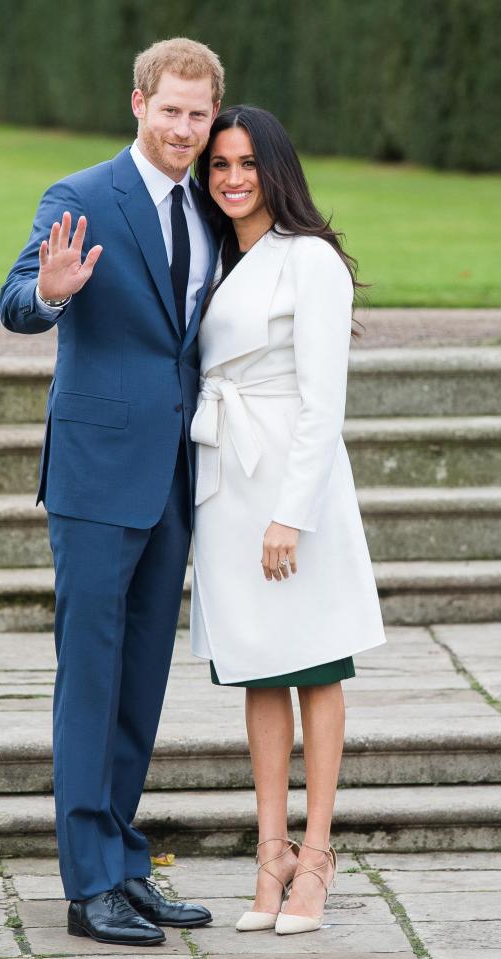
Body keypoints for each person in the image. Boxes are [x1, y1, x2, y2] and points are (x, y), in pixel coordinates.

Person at [0, 38, 224, 947]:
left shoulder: (213, 203)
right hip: (96, 478)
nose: (183, 128)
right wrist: (49, 294)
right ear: (138, 104)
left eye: (198, 114)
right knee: (89, 680)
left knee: (140, 682)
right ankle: (88, 883)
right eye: (169, 109)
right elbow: (17, 296)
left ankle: (125, 865)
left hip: (174, 478)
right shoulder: (84, 196)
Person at [191, 106, 386, 936]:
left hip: (288, 485)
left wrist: (290, 515)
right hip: (225, 481)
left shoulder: (309, 260)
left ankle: (315, 857)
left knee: (315, 664)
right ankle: (268, 855)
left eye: (247, 162)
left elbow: (322, 401)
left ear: (277, 168)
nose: (232, 178)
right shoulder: (210, 256)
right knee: (258, 668)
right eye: (219, 164)